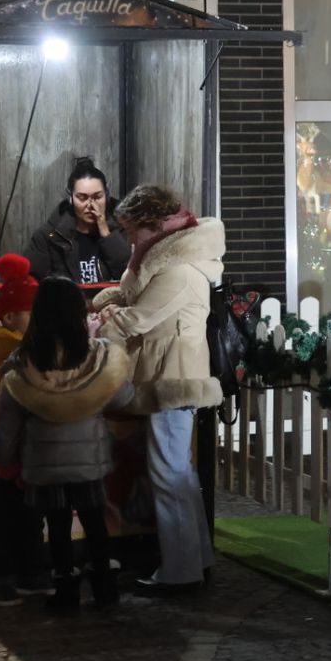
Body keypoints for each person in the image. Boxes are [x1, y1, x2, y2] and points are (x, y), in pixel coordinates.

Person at [94, 184, 224, 594]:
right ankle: (195, 561)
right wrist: (112, 303)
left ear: (154, 226)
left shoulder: (179, 270)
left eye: (133, 230)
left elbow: (137, 318)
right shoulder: (163, 261)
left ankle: (181, 572)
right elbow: (131, 301)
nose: (129, 239)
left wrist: (105, 316)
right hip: (166, 374)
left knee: (169, 474)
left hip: (173, 378)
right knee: (178, 474)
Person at [0, 275, 135, 613]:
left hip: (44, 462)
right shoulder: (99, 357)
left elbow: (6, 422)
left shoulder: (22, 362)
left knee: (56, 526)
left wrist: (5, 463)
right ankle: (105, 589)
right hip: (88, 459)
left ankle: (66, 594)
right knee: (94, 522)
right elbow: (124, 397)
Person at [0, 252, 51, 606]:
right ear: (9, 315)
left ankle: (31, 573)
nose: (35, 319)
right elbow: (2, 398)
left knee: (30, 513)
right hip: (5, 442)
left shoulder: (21, 345)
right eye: (29, 312)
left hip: (24, 444)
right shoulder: (3, 347)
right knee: (4, 513)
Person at [26, 156, 131, 285]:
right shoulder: (49, 236)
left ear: (107, 194)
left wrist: (106, 231)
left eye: (98, 197)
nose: (91, 205)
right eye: (82, 198)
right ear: (70, 197)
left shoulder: (125, 228)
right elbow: (32, 282)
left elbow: (130, 275)